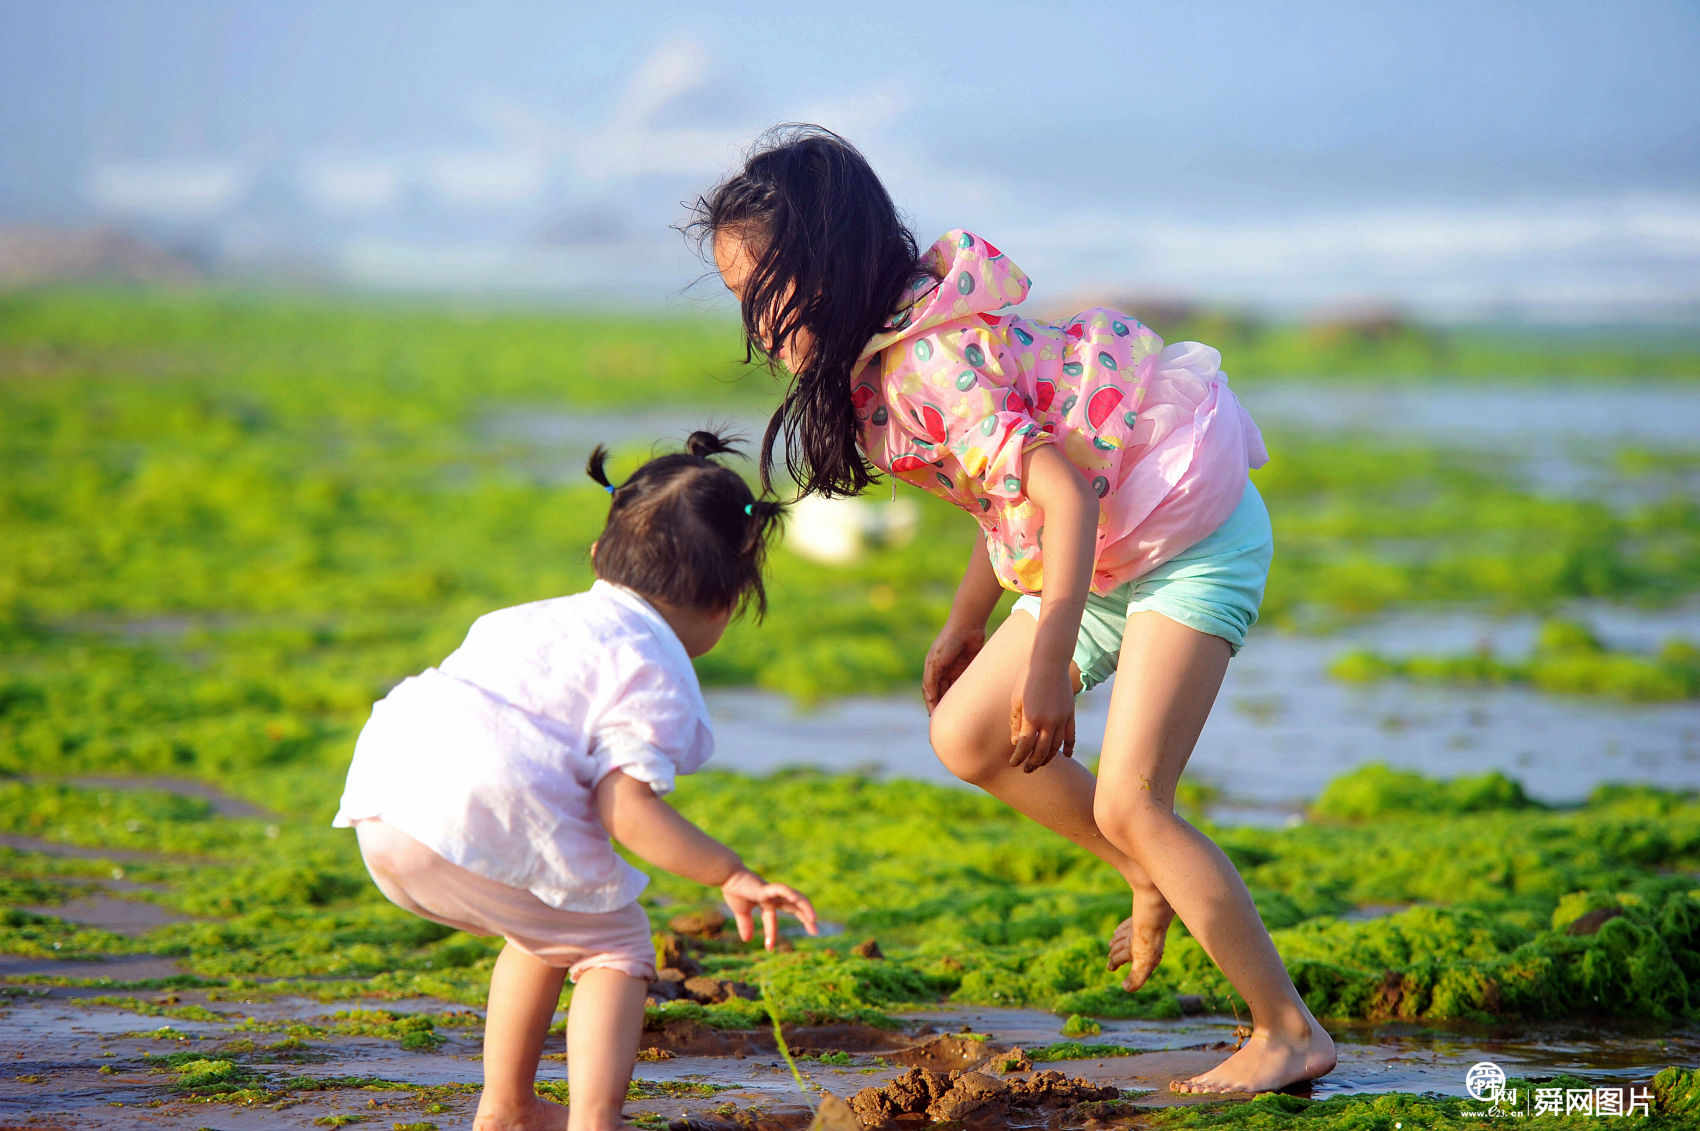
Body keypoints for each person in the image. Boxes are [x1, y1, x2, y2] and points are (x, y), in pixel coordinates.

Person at [688, 125, 1335, 1095]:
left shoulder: (929, 364)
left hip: (1186, 540)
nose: (753, 322)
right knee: (965, 736)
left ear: (820, 270)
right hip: (1104, 550)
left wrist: (1046, 658)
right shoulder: (884, 356)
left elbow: (1064, 498)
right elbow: (1004, 502)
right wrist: (963, 622)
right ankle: (1147, 868)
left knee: (1130, 795)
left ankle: (1287, 1030)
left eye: (758, 294)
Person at [333, 432, 818, 1131]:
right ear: (727, 599)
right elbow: (626, 809)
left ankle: (507, 1108)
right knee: (615, 944)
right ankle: (596, 1121)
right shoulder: (649, 660)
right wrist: (730, 871)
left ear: (599, 555)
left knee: (548, 928)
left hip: (385, 799)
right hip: (476, 808)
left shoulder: (530, 620)